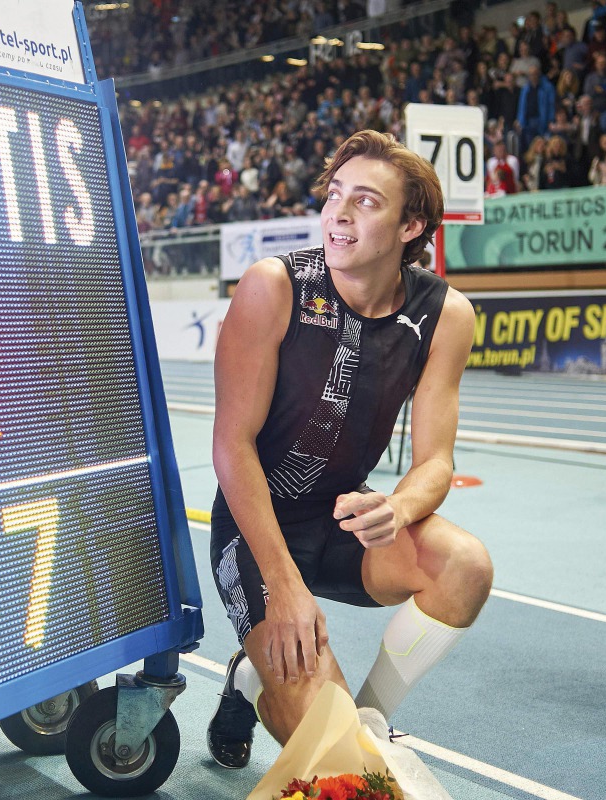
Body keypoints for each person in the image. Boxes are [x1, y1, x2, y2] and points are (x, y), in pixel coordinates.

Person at [206, 130, 494, 768]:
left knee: (465, 567)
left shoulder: (446, 314)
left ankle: (367, 716)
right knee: (338, 764)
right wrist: (283, 587)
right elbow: (232, 446)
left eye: (365, 201)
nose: (337, 213)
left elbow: (436, 461)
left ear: (410, 223)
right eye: (335, 195)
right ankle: (262, 682)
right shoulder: (273, 286)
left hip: (339, 521)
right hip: (255, 533)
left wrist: (399, 505)